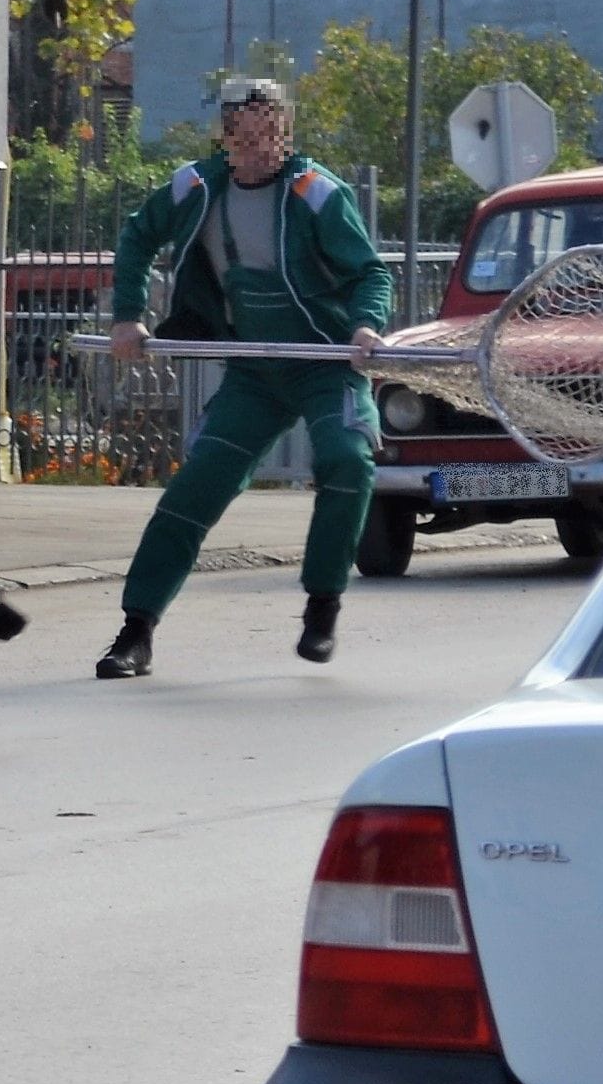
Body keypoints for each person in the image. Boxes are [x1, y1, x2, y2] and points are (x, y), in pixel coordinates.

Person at [97, 77, 391, 678]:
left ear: (286, 134)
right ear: (225, 137)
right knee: (196, 486)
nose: (257, 148)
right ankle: (136, 631)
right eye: (244, 136)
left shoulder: (317, 193)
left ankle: (323, 604)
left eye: (269, 135)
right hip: (253, 371)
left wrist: (366, 327)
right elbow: (137, 233)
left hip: (325, 365)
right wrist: (128, 316)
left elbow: (371, 274)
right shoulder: (196, 186)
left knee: (347, 461)